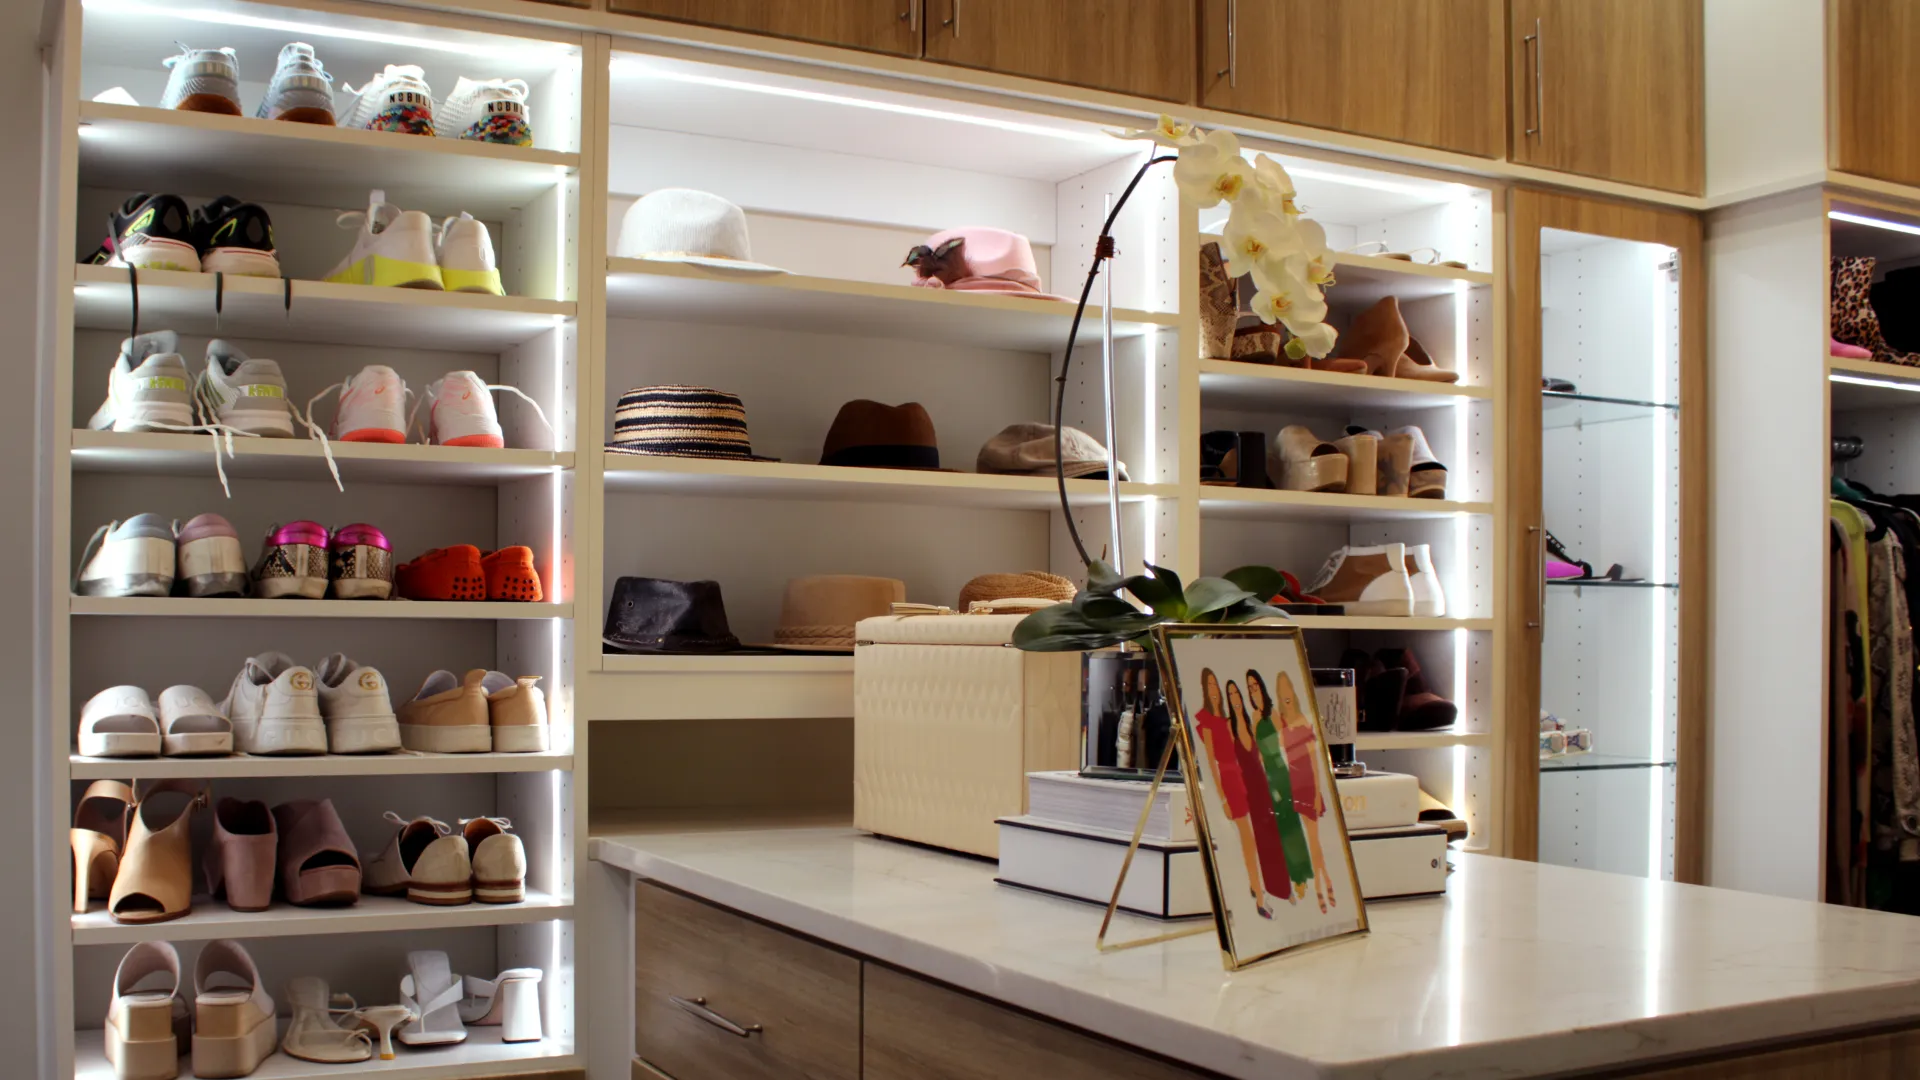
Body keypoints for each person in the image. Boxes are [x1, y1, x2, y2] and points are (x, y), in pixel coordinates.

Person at [1190, 670, 1279, 916]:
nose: (1214, 689)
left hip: (1245, 776)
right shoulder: (1208, 720)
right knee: (1248, 838)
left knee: (1258, 835)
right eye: (1209, 685)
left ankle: (1256, 886)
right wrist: (1223, 797)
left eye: (1215, 684)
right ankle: (1260, 897)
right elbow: (1210, 761)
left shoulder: (1230, 719)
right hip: (1229, 780)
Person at [1247, 670, 1317, 911]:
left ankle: (1299, 878)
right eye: (1250, 687)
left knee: (1290, 826)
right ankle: (1284, 882)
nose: (1253, 690)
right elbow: (1256, 752)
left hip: (1280, 773)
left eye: (1256, 685)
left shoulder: (1273, 715)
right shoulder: (1255, 718)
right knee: (1274, 829)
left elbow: (1285, 745)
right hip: (1266, 774)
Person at [1226, 680, 1295, 909]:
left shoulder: (1252, 721)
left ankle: (1284, 889)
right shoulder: (1230, 726)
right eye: (1231, 694)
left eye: (1237, 693)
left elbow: (1265, 753)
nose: (1235, 697)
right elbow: (1229, 762)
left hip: (1261, 783)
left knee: (1272, 834)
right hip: (1244, 785)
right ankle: (1263, 890)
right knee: (1257, 838)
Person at [1275, 670, 1335, 909]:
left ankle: (1324, 885)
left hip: (1308, 786)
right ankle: (1318, 886)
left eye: (1288, 694)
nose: (1286, 699)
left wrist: (1318, 794)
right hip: (1293, 786)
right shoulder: (1282, 722)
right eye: (1282, 695)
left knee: (1314, 841)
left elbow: (1315, 763)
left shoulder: (1303, 721)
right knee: (1302, 840)